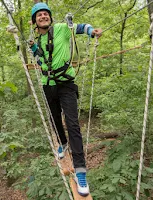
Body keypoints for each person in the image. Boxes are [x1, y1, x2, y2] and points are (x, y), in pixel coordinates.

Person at [29, 2, 102, 197]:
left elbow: (79, 27)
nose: (43, 17)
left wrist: (91, 31)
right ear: (35, 21)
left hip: (66, 84)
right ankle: (62, 142)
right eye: (39, 15)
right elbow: (41, 57)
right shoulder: (39, 40)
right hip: (48, 85)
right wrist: (33, 49)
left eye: (45, 14)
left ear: (50, 18)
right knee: (54, 119)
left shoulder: (61, 29)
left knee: (73, 125)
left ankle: (81, 172)